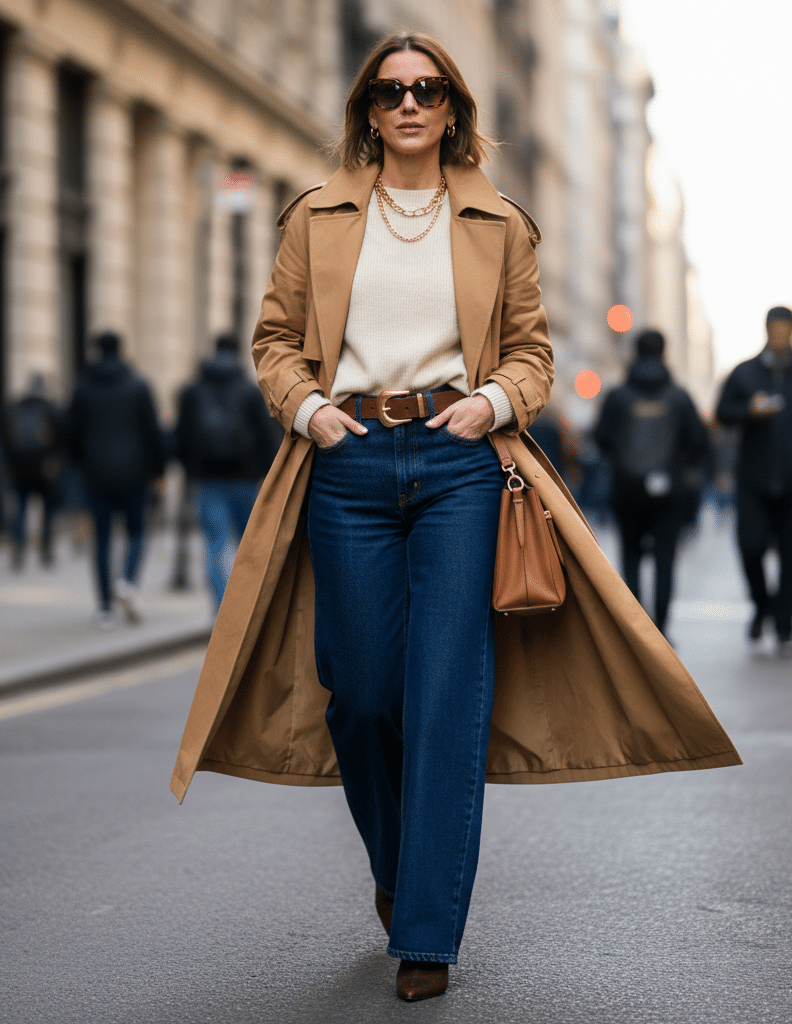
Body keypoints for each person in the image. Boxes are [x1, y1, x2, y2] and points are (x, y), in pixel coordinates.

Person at [170, 31, 741, 1005]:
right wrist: (310, 410)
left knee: (443, 698)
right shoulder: (316, 215)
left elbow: (530, 353)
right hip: (346, 463)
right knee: (358, 693)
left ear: (451, 107)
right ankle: (399, 867)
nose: (407, 103)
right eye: (390, 89)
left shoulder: (496, 221)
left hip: (459, 464)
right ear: (367, 106)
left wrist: (496, 405)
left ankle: (425, 927)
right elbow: (275, 339)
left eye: (426, 88)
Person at [715, 306, 792, 656]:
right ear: (767, 330)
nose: (780, 336)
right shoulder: (744, 373)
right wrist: (748, 410)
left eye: (786, 330)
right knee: (750, 547)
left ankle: (784, 625)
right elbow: (722, 413)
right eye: (775, 330)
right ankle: (762, 604)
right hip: (753, 480)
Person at [594, 329, 711, 639]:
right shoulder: (679, 396)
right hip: (669, 490)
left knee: (630, 555)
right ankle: (661, 627)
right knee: (665, 558)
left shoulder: (618, 396)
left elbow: (601, 438)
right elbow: (699, 440)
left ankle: (636, 631)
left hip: (627, 488)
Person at [174, 332, 282, 607]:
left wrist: (192, 472)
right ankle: (245, 608)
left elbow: (181, 437)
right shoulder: (249, 389)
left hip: (208, 480)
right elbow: (266, 436)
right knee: (248, 547)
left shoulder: (193, 390)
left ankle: (221, 609)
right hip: (245, 479)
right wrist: (265, 475)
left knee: (215, 545)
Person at [66, 331, 165, 627]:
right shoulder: (138, 385)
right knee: (136, 532)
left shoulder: (83, 387)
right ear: (121, 350)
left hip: (96, 474)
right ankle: (128, 582)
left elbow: (71, 435)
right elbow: (153, 433)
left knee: (102, 540)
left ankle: (104, 607)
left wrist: (83, 464)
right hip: (134, 473)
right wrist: (158, 472)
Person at [4, 373, 63, 569]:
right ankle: (45, 550)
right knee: (47, 511)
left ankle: (18, 548)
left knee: (20, 509)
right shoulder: (49, 408)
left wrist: (11, 465)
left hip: (20, 469)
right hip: (44, 468)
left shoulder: (17, 407)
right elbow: (59, 439)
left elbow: (6, 438)